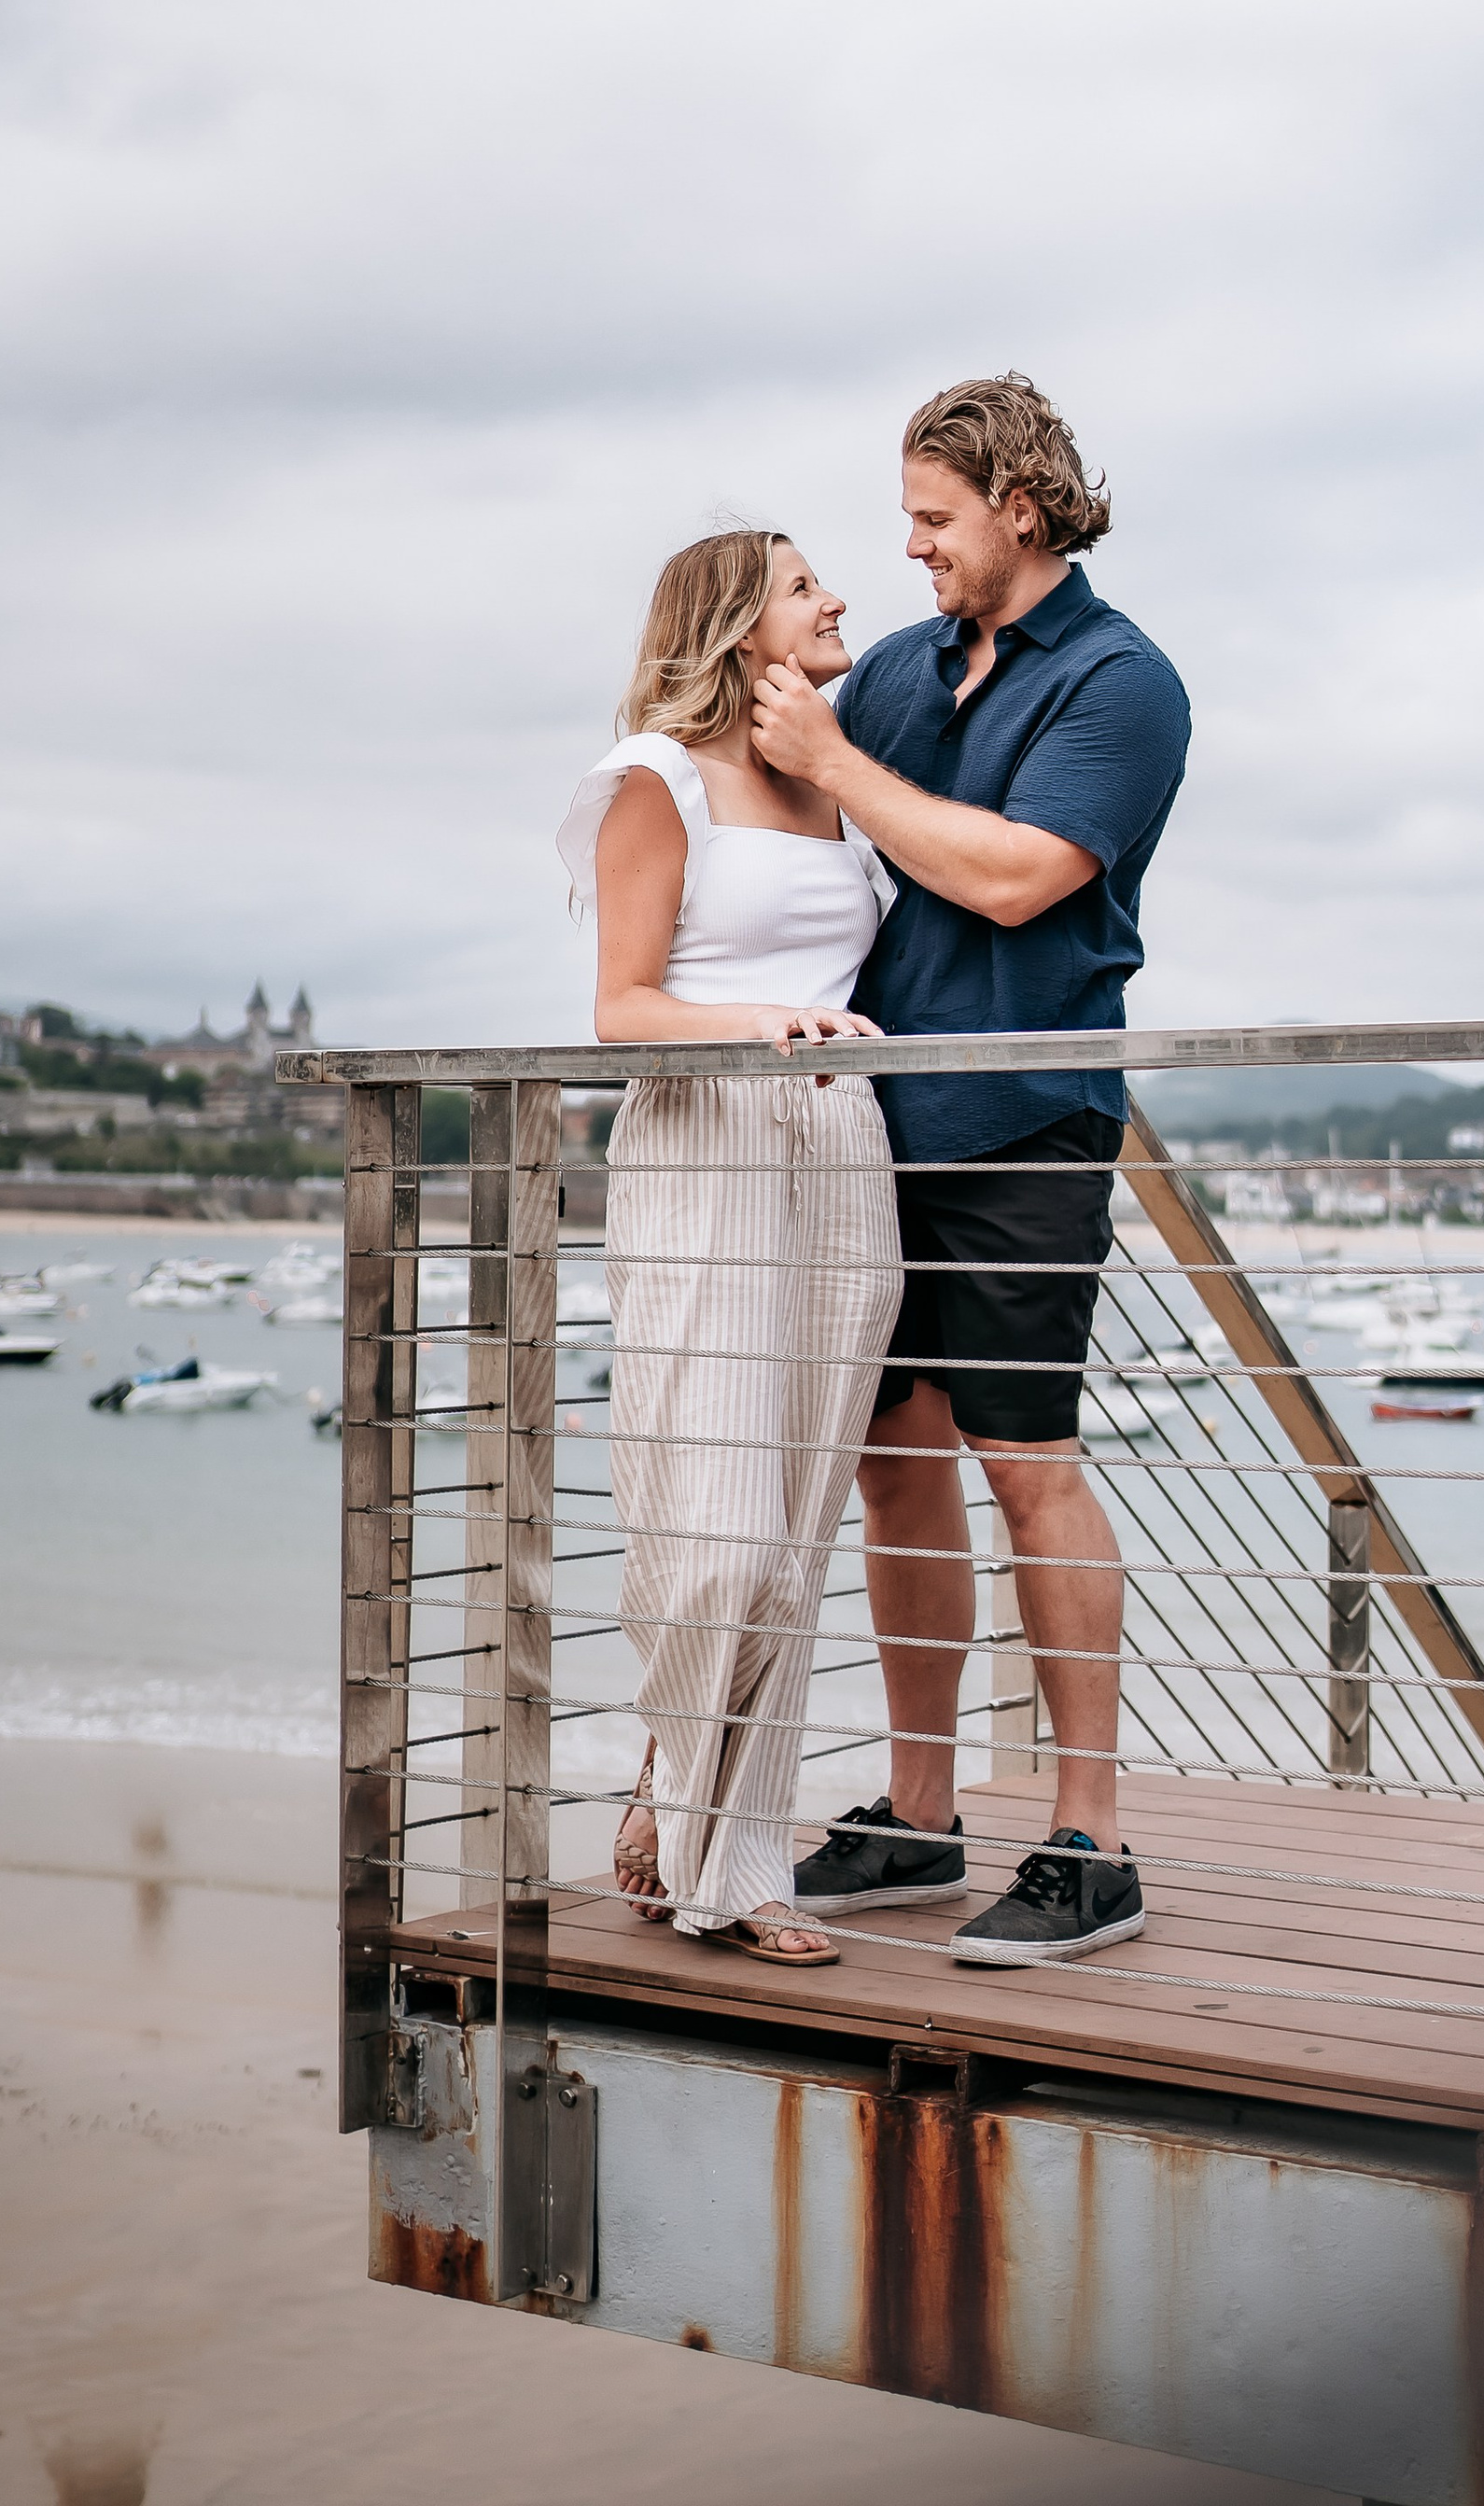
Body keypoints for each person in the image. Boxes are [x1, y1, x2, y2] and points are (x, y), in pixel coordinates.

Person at [749, 374, 1190, 1966]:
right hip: (873, 1125)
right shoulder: (904, 669)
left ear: (1022, 504)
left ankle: (1091, 1839)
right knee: (896, 1465)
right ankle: (923, 1813)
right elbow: (769, 782)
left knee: (1029, 1462)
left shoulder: (1125, 682)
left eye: (934, 518)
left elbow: (1015, 880)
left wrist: (843, 766)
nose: (914, 549)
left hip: (1024, 1119)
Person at [556, 528, 903, 1967]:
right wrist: (766, 1025)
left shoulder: (837, 780)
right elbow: (622, 1008)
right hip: (707, 1139)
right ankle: (673, 1782)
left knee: (801, 1528)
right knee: (719, 1532)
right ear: (735, 621)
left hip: (840, 1152)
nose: (837, 599)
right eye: (806, 582)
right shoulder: (655, 778)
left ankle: (733, 1856)